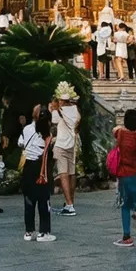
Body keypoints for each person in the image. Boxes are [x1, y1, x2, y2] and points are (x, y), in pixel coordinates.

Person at [19, 104, 55, 242]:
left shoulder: (27, 129)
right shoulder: (47, 134)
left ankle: (29, 232)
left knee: (29, 199)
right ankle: (44, 232)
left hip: (28, 165)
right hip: (42, 167)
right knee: (43, 199)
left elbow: (20, 143)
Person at [113, 108, 136, 246]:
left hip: (123, 174)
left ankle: (126, 235)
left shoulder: (120, 133)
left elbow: (114, 130)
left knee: (125, 205)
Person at [51, 85, 81, 215]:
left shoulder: (59, 111)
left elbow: (54, 121)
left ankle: (69, 205)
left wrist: (53, 109)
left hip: (62, 144)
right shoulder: (75, 110)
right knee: (72, 173)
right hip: (72, 144)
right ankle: (71, 202)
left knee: (63, 174)